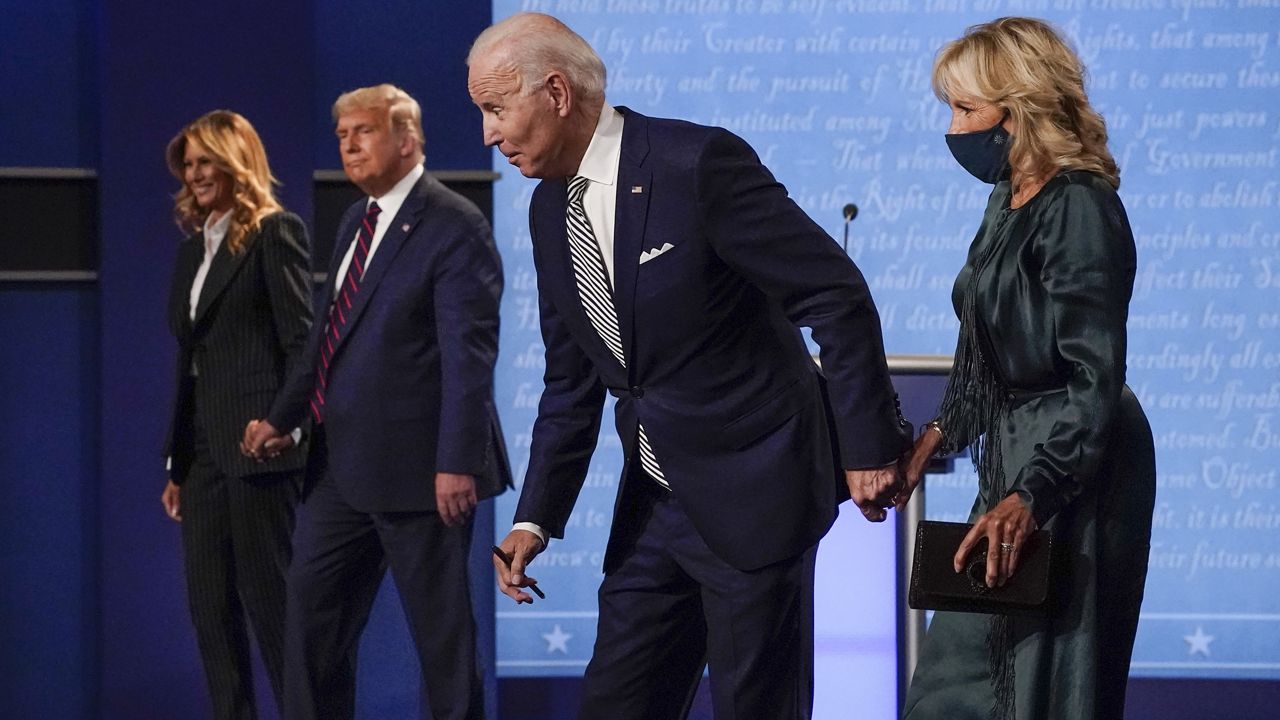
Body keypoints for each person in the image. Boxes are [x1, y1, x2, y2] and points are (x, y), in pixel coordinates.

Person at [468, 13, 912, 720]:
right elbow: (571, 381)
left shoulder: (695, 164)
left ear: (555, 92)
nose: (488, 134)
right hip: (654, 509)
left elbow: (835, 293)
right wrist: (536, 520)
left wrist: (866, 446)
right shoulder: (548, 210)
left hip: (758, 492)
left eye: (495, 109)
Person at [894, 17, 1157, 720]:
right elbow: (987, 353)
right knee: (960, 682)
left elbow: (1092, 375)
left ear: (1019, 111)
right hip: (1017, 457)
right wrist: (937, 437)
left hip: (1076, 464)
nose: (953, 128)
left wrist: (1034, 494)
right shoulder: (1006, 201)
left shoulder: (1079, 208)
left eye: (966, 109)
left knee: (1041, 680)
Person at [241, 84, 511, 720]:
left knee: (441, 640)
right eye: (341, 135)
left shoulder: (453, 224)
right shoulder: (356, 222)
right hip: (342, 468)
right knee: (310, 623)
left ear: (407, 139)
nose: (349, 145)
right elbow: (329, 337)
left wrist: (457, 461)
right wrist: (286, 418)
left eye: (363, 131)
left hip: (425, 473)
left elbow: (468, 358)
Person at [161, 109, 313, 719]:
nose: (195, 174)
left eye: (206, 161)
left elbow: (302, 343)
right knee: (211, 610)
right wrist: (178, 462)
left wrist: (284, 422)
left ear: (235, 163)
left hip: (259, 448)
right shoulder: (192, 250)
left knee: (271, 607)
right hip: (202, 457)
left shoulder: (276, 232)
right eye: (189, 164)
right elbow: (192, 365)